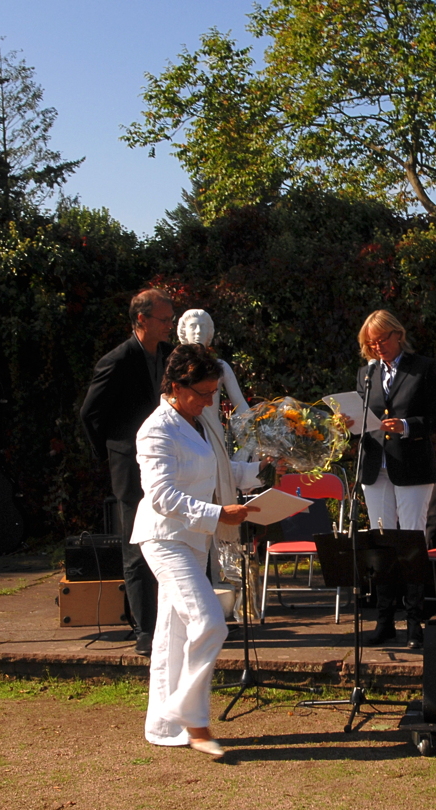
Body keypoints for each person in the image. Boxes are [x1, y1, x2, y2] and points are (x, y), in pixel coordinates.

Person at [131, 343, 272, 756]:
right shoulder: (155, 428)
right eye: (203, 393)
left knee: (172, 636)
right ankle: (193, 720)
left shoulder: (199, 424)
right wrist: (216, 514)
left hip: (194, 539)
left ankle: (163, 725)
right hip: (164, 538)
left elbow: (222, 472)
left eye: (213, 392)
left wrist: (264, 470)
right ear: (176, 386)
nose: (210, 400)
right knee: (211, 622)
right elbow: (160, 496)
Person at [80, 288, 176, 657]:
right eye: (164, 320)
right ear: (141, 320)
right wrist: (114, 451)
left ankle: (172, 624)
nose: (170, 326)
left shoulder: (170, 357)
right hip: (129, 464)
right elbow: (90, 414)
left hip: (168, 461)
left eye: (171, 319)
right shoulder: (117, 360)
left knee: (171, 541)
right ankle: (144, 630)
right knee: (137, 547)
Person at [355, 309, 436, 649]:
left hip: (411, 467)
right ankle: (383, 621)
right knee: (381, 543)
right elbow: (363, 417)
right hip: (374, 466)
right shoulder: (366, 374)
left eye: (382, 340)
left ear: (398, 335)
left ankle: (414, 621)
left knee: (411, 542)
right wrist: (347, 424)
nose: (377, 347)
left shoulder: (423, 368)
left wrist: (407, 427)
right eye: (371, 343)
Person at [176, 309, 252, 460]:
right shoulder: (175, 368)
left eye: (203, 327)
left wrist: (249, 444)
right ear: (184, 332)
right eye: (193, 327)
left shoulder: (221, 367)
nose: (198, 332)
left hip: (212, 433)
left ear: (210, 333)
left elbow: (240, 404)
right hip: (182, 431)